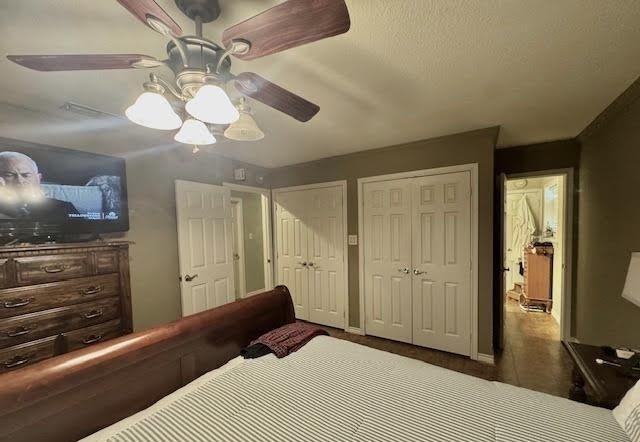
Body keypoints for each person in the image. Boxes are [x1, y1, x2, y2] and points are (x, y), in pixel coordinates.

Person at [0, 151, 79, 220]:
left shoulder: (63, 207)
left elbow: (83, 233)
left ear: (38, 179)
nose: (20, 181)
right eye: (9, 175)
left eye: (26, 175)